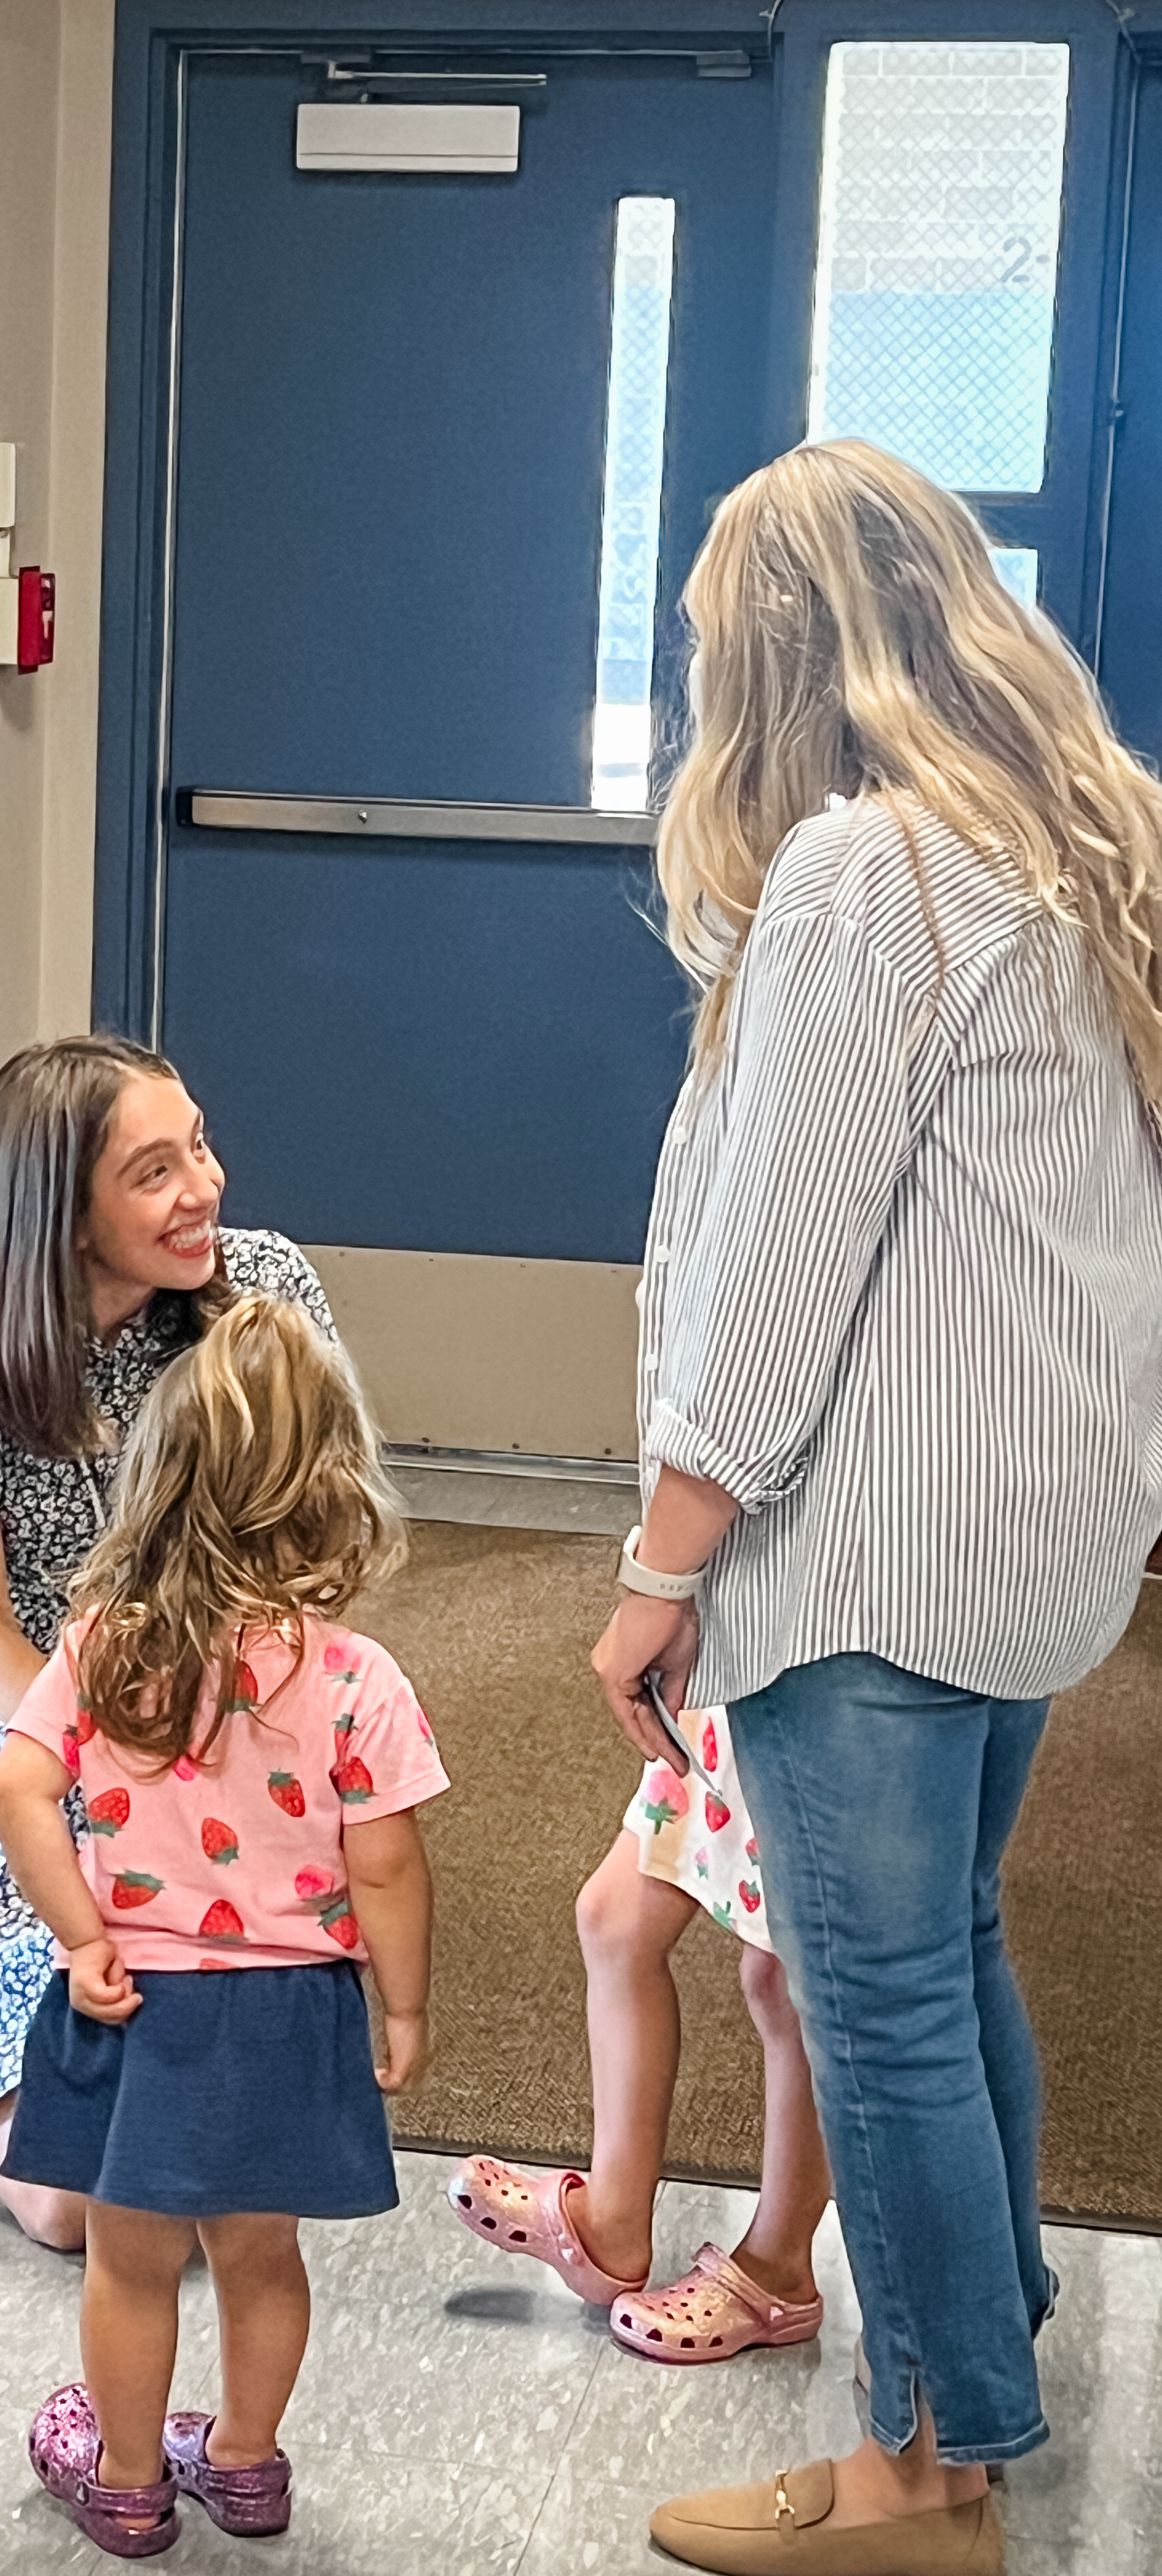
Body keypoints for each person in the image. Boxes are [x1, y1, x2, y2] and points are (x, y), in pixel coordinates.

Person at [591, 441, 1162, 2575]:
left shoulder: (869, 871)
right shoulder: (1087, 846)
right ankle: (988, 2329)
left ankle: (930, 2472)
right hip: (1034, 1538)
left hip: (875, 1553)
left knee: (876, 1989)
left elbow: (777, 1264)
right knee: (949, 1944)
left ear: (774, 652)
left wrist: (664, 1560)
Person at [0, 1036, 334, 2248]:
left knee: (194, 2156)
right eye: (154, 1172)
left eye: (199, 1147)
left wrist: (223, 1745)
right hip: (29, 1740)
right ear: (63, 1215)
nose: (205, 1187)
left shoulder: (263, 1295)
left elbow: (309, 1560)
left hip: (222, 1732)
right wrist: (111, 1760)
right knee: (76, 2206)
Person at [0, 1295, 448, 2555]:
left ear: (158, 1477)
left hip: (138, 2006)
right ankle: (244, 2465)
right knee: (260, 2258)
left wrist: (82, 1934)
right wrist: (403, 2003)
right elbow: (389, 1863)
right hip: (291, 2012)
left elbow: (17, 1787)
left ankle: (127, 2478)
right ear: (333, 1485)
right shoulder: (355, 1678)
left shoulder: (102, 1647)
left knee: (130, 2262)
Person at [448, 1698, 831, 2365]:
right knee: (616, 1917)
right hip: (741, 1675)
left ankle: (780, 2263)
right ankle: (612, 2221)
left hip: (816, 1676)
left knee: (793, 1981)